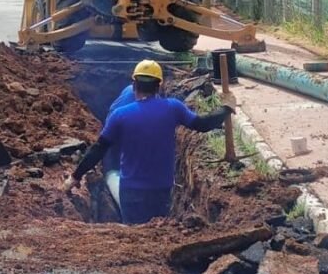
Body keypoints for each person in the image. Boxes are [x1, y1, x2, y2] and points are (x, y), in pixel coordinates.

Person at [64, 60, 236, 224]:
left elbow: (99, 149)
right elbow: (203, 125)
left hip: (130, 191)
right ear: (159, 86)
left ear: (134, 85)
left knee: (134, 234)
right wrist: (226, 108)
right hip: (161, 189)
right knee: (158, 232)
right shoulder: (173, 108)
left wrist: (75, 176)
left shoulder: (120, 115)